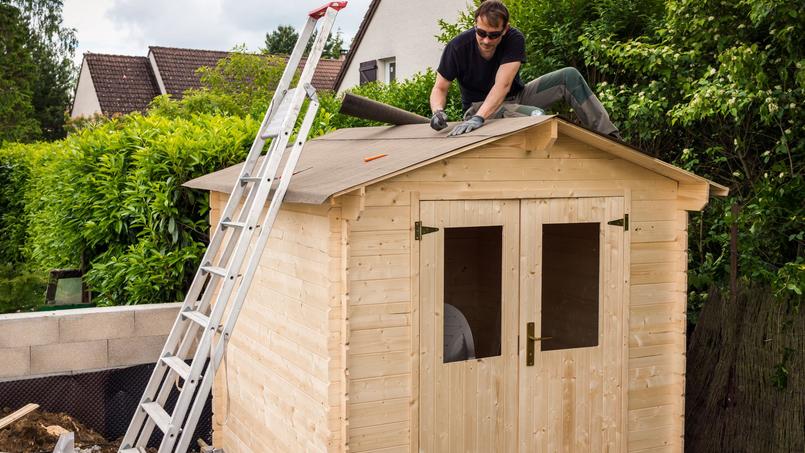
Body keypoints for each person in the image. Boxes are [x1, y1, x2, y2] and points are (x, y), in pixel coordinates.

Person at [429, 0, 620, 138]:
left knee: (568, 76)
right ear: (475, 25)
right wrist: (438, 111)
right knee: (535, 115)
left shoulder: (514, 39)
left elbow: (502, 86)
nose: (486, 40)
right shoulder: (457, 47)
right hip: (478, 107)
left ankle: (611, 138)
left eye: (493, 35)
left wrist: (480, 118)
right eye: (481, 33)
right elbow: (440, 88)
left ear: (505, 29)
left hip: (515, 97)